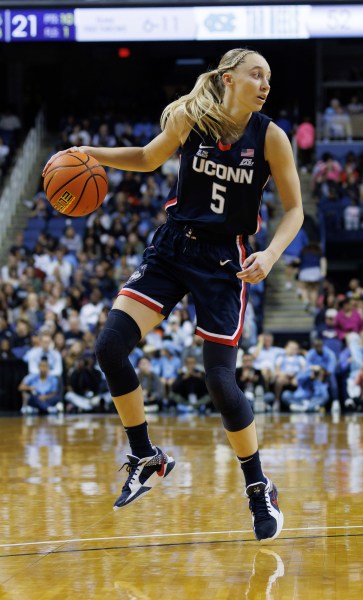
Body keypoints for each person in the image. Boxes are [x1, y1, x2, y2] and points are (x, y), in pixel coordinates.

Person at [43, 48, 303, 542]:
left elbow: (294, 211)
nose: (265, 83)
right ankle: (145, 455)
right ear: (228, 79)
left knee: (221, 385)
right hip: (174, 245)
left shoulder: (271, 137)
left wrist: (269, 255)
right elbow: (146, 158)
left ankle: (258, 487)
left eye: (268, 77)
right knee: (109, 347)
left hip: (224, 262)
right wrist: (93, 155)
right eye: (255, 74)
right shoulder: (192, 117)